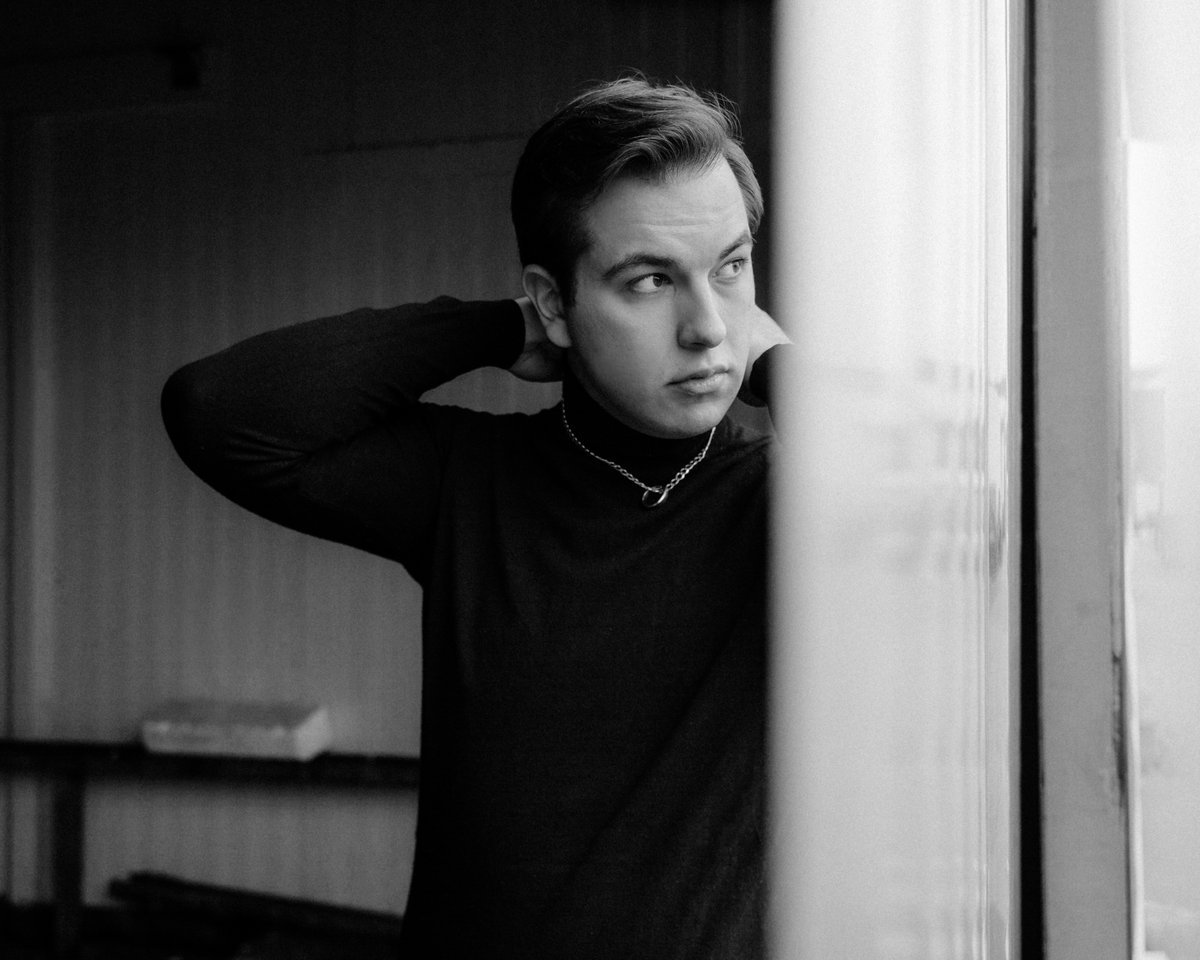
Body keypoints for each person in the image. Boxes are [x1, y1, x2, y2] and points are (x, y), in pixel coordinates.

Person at [162, 75, 789, 959]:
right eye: (650, 280)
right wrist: (497, 330)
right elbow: (219, 410)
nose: (710, 328)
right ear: (555, 300)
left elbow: (947, 498)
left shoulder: (800, 502)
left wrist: (780, 367)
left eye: (729, 267)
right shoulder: (472, 483)